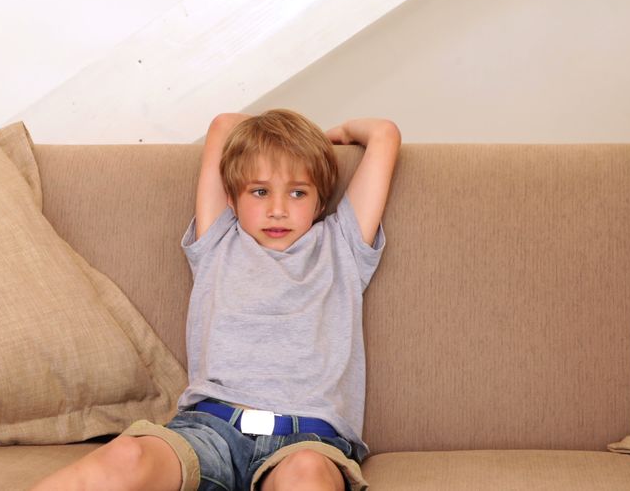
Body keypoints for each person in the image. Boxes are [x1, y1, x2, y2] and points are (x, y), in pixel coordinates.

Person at [32, 109, 401, 491]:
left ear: (320, 202)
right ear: (232, 198)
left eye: (297, 192)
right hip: (209, 430)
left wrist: (333, 135)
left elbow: (385, 134)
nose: (278, 209)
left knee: (305, 474)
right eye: (259, 191)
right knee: (127, 455)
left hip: (306, 440)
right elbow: (224, 124)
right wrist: (277, 138)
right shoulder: (218, 240)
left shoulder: (342, 247)